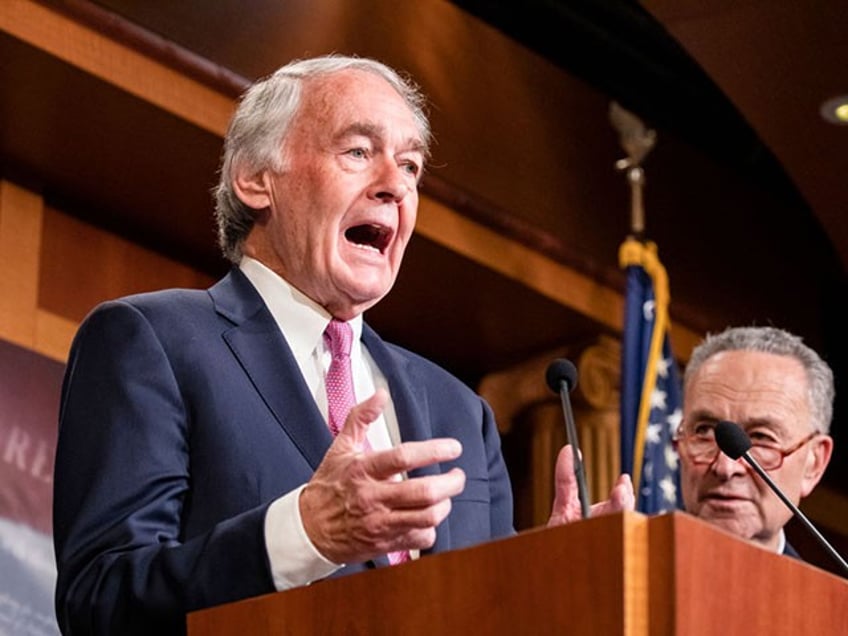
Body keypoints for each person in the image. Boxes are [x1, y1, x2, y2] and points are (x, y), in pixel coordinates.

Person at [53, 55, 634, 635]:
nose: (395, 186)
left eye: (410, 166)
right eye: (358, 152)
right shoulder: (154, 342)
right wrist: (303, 534)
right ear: (256, 177)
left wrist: (547, 588)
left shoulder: (460, 412)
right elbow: (101, 601)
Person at [674, 325, 834, 558]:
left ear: (814, 463)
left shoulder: (827, 595)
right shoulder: (623, 575)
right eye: (705, 431)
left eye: (761, 437)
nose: (726, 467)